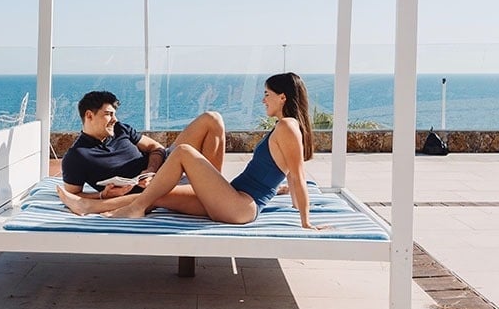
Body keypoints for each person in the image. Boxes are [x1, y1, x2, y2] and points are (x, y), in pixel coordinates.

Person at [57, 73, 321, 229]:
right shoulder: (286, 127)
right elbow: (289, 177)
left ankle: (134, 207)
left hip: (240, 206)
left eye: (267, 94)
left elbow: (297, 176)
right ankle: (88, 206)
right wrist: (280, 190)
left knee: (182, 152)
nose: (263, 99)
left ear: (283, 97)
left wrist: (306, 223)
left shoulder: (287, 126)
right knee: (159, 197)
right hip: (233, 199)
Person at [60, 90, 226, 210]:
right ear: (89, 115)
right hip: (152, 191)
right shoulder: (76, 156)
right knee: (197, 197)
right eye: (109, 114)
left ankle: (213, 187)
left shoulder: (120, 129)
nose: (115, 119)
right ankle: (212, 194)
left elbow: (156, 148)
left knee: (212, 119)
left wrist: (151, 170)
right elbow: (74, 195)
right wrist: (103, 196)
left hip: (165, 166)